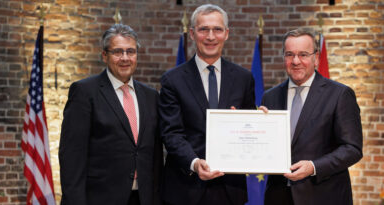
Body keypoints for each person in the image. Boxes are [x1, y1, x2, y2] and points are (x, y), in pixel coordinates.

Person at [158, 4, 256, 205]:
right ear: (192, 34)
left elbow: (248, 131)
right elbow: (171, 133)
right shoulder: (172, 80)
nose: (211, 36)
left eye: (217, 29)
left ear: (226, 34)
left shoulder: (243, 79)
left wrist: (258, 121)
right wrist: (194, 163)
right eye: (204, 29)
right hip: (186, 188)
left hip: (230, 190)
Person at [59, 24, 163, 205]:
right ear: (104, 56)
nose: (125, 58)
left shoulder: (150, 96)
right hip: (100, 198)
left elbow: (154, 155)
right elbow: (72, 156)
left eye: (130, 51)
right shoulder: (84, 92)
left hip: (144, 198)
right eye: (117, 52)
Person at [262, 28, 363, 205]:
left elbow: (352, 148)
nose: (295, 61)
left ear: (316, 58)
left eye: (303, 54)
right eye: (289, 54)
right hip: (278, 197)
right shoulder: (270, 97)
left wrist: (314, 167)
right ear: (283, 58)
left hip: (324, 196)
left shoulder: (340, 95)